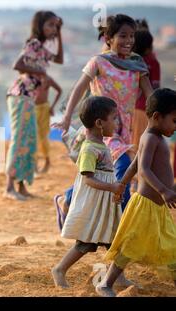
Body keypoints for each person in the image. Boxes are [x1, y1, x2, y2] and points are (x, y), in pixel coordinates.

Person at [54, 14, 154, 214]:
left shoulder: (137, 63)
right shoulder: (99, 62)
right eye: (123, 36)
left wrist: (160, 114)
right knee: (124, 165)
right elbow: (80, 88)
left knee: (105, 171)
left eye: (132, 36)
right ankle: (122, 224)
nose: (129, 41)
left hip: (124, 126)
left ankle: (68, 198)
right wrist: (66, 119)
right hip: (101, 126)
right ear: (109, 38)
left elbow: (150, 95)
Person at [96, 88, 176, 297]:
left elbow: (134, 164)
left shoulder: (155, 137)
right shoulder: (151, 138)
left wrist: (121, 184)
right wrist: (164, 191)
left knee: (170, 243)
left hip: (157, 207)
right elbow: (143, 170)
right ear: (157, 117)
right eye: (174, 120)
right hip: (146, 205)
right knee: (130, 247)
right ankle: (105, 283)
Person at [51, 96, 124, 288]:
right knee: (86, 242)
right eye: (114, 118)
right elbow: (87, 178)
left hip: (105, 202)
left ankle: (118, 276)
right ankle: (59, 269)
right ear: (99, 123)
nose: (117, 122)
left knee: (115, 240)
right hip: (93, 204)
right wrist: (111, 187)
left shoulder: (100, 145)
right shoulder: (90, 148)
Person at [5, 10, 64, 200]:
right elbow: (17, 64)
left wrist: (60, 33)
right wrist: (40, 72)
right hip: (20, 95)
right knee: (20, 139)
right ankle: (9, 187)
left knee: (30, 142)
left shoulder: (44, 50)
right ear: (39, 26)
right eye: (50, 25)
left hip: (29, 98)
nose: (53, 29)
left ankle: (21, 186)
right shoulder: (34, 44)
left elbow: (60, 59)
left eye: (55, 25)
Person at [132, 25, 160, 151]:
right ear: (149, 47)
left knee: (133, 144)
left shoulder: (132, 61)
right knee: (142, 147)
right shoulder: (153, 62)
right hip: (146, 109)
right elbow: (155, 87)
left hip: (131, 109)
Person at [34, 74, 62, 173]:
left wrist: (52, 107)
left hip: (44, 109)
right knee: (34, 136)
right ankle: (34, 163)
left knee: (43, 136)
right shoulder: (30, 79)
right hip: (32, 109)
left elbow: (59, 90)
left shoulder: (47, 79)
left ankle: (47, 161)